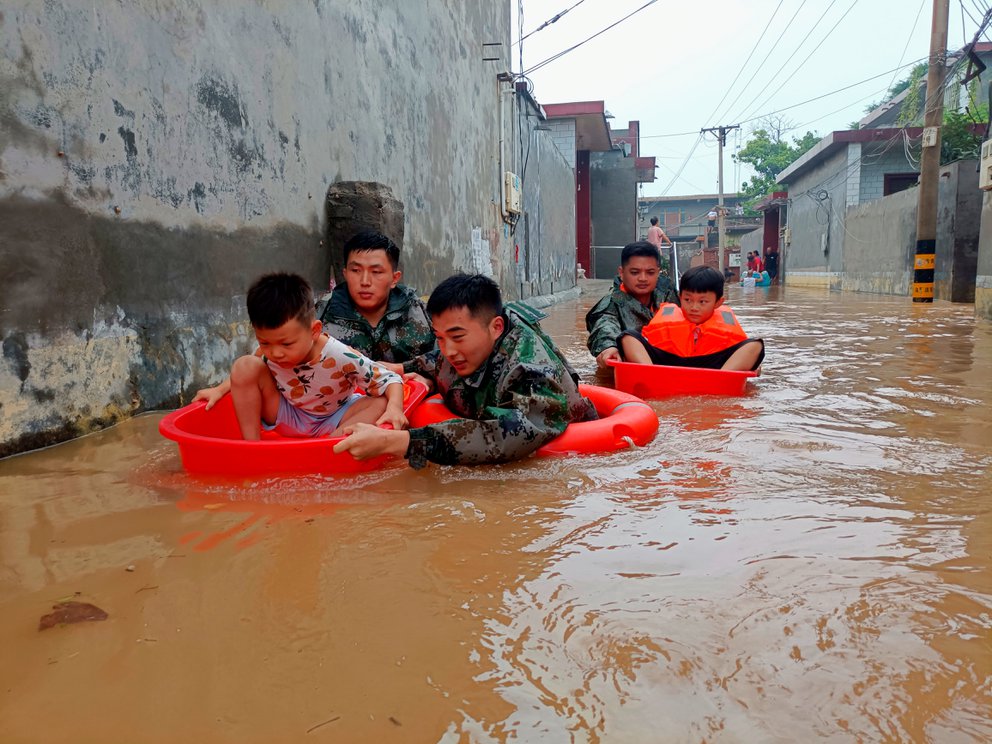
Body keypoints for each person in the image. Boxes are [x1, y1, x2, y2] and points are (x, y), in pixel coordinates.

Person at [333, 273, 598, 468]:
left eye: (457, 337)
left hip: (563, 459)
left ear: (495, 327)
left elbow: (513, 434)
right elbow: (437, 357)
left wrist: (397, 442)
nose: (448, 350)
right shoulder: (462, 346)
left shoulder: (531, 369)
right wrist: (405, 369)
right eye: (439, 336)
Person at [195, 273, 407, 439]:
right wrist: (219, 390)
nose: (276, 353)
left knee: (379, 403)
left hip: (335, 418)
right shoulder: (269, 353)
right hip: (287, 415)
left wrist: (395, 409)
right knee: (245, 364)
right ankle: (252, 446)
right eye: (265, 342)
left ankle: (330, 447)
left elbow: (390, 378)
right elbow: (244, 374)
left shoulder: (339, 355)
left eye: (287, 344)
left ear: (314, 331)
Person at [317, 230, 435, 369]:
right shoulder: (321, 314)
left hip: (413, 389)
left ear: (394, 278)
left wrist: (410, 371)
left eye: (376, 272)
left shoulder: (419, 311)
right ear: (345, 274)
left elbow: (448, 359)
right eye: (355, 270)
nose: (365, 281)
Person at [621, 265, 764, 372]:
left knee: (755, 345)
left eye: (702, 302)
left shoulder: (723, 322)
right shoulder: (669, 316)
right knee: (627, 337)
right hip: (667, 360)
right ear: (680, 297)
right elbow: (642, 338)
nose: (694, 307)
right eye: (688, 299)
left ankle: (722, 381)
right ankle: (650, 375)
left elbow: (745, 350)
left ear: (718, 303)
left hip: (713, 365)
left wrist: (752, 365)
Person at [585, 241, 679, 369]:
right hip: (637, 364)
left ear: (658, 272)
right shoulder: (612, 303)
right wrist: (609, 347)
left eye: (650, 272)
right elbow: (605, 325)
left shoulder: (668, 293)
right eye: (635, 272)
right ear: (622, 273)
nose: (643, 278)